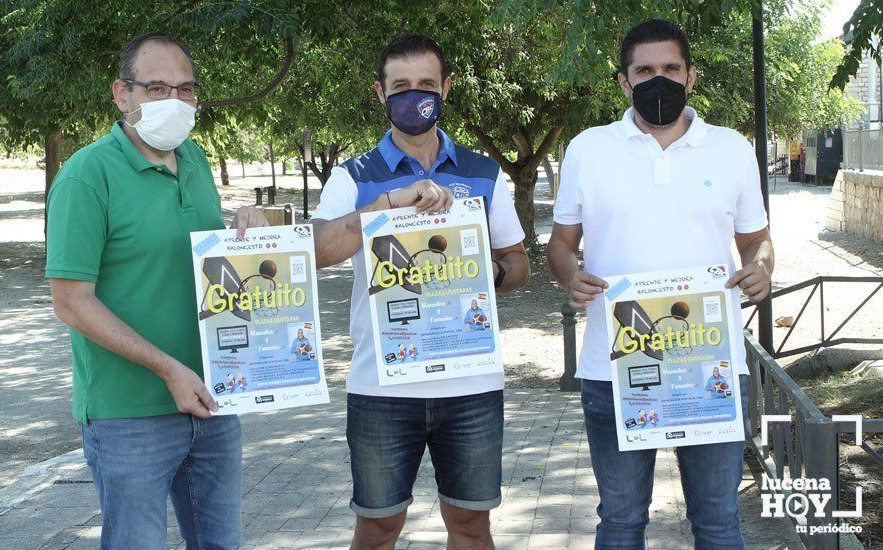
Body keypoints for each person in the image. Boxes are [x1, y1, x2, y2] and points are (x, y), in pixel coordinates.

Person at [547, 19, 774, 550]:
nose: (659, 80)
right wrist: (570, 277)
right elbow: (560, 244)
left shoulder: (732, 148)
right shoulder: (588, 149)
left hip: (711, 365)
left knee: (719, 522)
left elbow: (758, 240)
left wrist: (761, 267)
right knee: (622, 521)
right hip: (615, 367)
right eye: (644, 70)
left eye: (671, 68)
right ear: (624, 82)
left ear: (691, 75)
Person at [45, 33, 267, 549]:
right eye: (158, 87)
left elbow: (206, 264)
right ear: (122, 94)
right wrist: (169, 369)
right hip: (129, 417)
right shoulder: (86, 176)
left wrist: (250, 234)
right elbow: (70, 300)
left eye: (186, 89)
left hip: (214, 401)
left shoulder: (195, 161)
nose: (175, 101)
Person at [312, 33, 529, 550]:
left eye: (426, 84)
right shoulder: (352, 177)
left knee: (472, 526)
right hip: (381, 389)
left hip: (471, 385)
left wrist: (485, 276)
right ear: (380, 93)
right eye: (401, 86)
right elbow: (319, 251)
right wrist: (388, 202)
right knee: (378, 528)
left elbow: (517, 264)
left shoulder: (484, 173)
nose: (415, 96)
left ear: (446, 89)